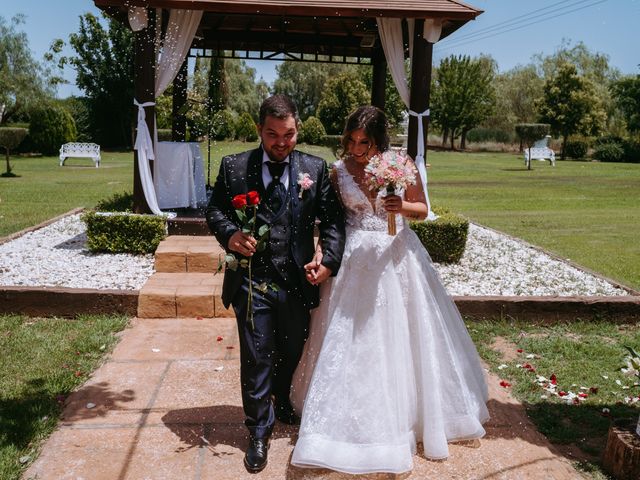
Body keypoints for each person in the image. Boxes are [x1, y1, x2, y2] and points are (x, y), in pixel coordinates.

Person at [290, 106, 489, 474]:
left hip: (397, 256)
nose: (356, 148)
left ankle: (409, 415)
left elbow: (422, 209)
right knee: (349, 336)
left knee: (402, 335)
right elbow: (332, 222)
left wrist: (402, 205)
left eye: (364, 142)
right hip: (353, 261)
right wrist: (321, 251)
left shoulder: (400, 164)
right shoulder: (337, 172)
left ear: (379, 140)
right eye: (350, 140)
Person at [206, 94, 345, 473]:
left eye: (289, 134)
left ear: (297, 130)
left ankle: (281, 399)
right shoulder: (234, 167)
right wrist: (231, 234)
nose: (281, 143)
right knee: (256, 356)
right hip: (251, 281)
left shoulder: (314, 170)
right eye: (272, 134)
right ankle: (258, 431)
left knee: (291, 347)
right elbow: (215, 208)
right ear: (259, 130)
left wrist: (327, 261)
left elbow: (332, 222)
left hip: (298, 282)